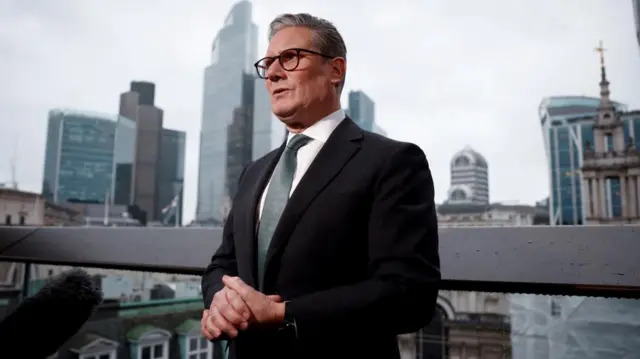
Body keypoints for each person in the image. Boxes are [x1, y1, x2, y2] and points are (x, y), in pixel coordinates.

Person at [201, 12, 440, 359]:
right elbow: (221, 265)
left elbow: (409, 295)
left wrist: (284, 314)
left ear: (336, 70)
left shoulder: (392, 162)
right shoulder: (253, 172)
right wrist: (219, 302)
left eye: (289, 57)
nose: (273, 73)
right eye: (267, 63)